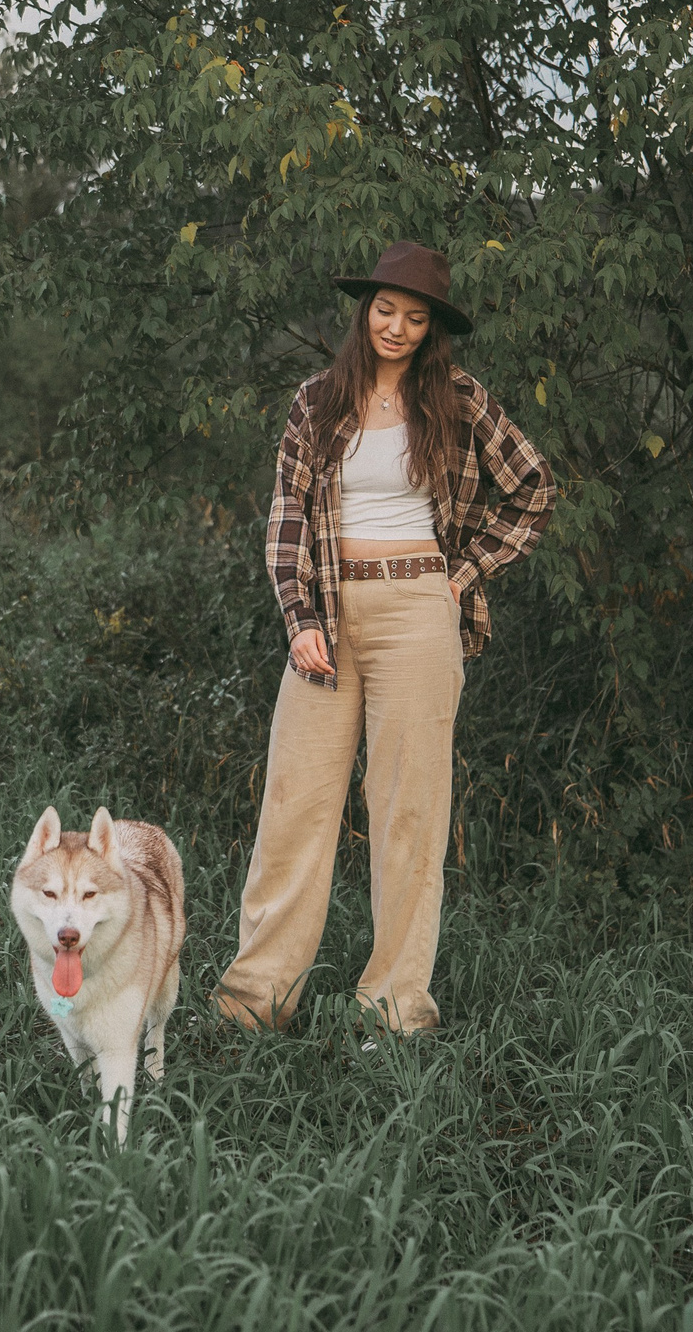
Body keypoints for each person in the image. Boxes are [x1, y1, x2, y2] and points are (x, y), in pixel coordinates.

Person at [214, 240, 558, 1035]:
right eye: (384, 310)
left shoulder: (459, 400)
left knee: (410, 815)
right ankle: (253, 1004)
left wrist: (459, 578)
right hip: (329, 616)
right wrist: (299, 618)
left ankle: (396, 1010)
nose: (395, 327)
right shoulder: (317, 402)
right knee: (294, 807)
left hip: (418, 614)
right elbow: (288, 516)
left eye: (414, 316)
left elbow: (534, 488)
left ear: (432, 327)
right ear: (363, 311)